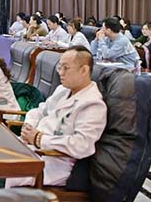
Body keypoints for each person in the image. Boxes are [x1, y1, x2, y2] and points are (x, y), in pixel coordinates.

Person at [6, 46, 107, 187]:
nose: (60, 72)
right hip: (32, 149)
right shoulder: (62, 90)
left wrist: (39, 138)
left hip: (53, 162)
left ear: (84, 70)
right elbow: (39, 111)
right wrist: (29, 127)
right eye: (60, 67)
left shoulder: (93, 104)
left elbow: (81, 145)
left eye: (66, 68)